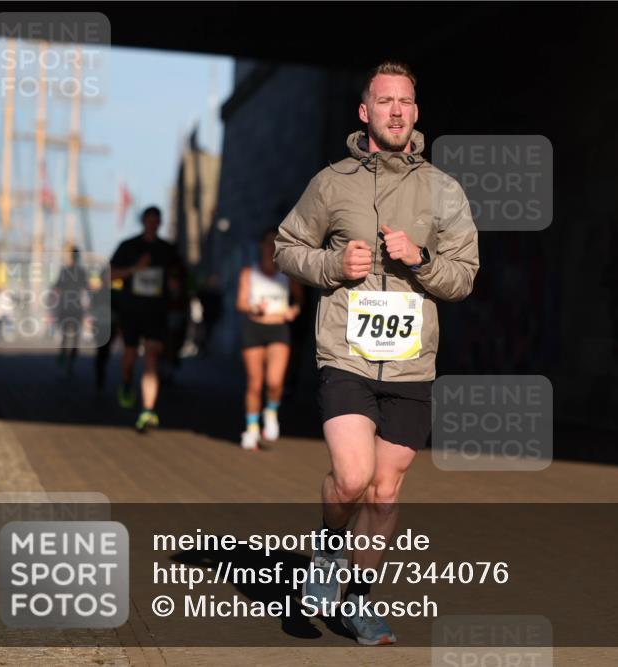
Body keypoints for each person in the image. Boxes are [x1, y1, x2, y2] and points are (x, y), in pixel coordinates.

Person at [274, 61, 479, 645]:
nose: (396, 111)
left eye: (405, 101)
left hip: (412, 362)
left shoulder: (443, 190)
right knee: (351, 477)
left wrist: (421, 259)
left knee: (385, 494)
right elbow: (287, 248)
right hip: (346, 353)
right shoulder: (331, 182)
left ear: (416, 112)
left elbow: (464, 276)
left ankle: (356, 603)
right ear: (365, 112)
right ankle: (325, 554)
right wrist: (333, 264)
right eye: (385, 101)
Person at [109, 206, 184, 432]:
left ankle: (148, 410)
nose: (152, 224)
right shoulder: (128, 246)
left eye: (156, 220)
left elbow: (179, 278)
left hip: (156, 312)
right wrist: (134, 269)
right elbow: (109, 274)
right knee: (130, 355)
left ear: (160, 223)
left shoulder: (167, 250)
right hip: (131, 311)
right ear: (143, 221)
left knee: (152, 357)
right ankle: (126, 383)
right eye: (149, 220)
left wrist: (174, 285)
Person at [236, 228, 304, 450]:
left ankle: (271, 411)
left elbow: (299, 300)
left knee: (274, 382)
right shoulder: (249, 272)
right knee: (255, 383)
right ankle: (251, 428)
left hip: (278, 329)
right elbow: (240, 303)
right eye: (268, 242)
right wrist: (254, 307)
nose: (271, 246)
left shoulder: (287, 273)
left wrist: (294, 310)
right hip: (254, 328)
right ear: (261, 246)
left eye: (276, 242)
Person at [53, 246, 89, 375]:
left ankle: (64, 356)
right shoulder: (81, 272)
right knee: (75, 337)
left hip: (66, 306)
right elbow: (87, 287)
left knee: (66, 334)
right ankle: (69, 363)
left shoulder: (65, 271)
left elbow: (56, 286)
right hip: (75, 307)